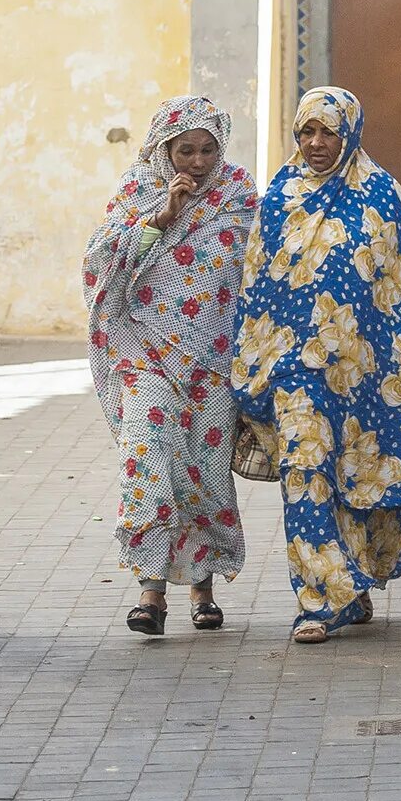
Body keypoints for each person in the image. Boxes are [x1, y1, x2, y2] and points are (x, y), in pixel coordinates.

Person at [231, 86, 401, 644]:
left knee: (356, 479)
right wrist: (251, 360)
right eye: (306, 132)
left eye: (328, 132)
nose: (316, 144)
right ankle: (318, 599)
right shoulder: (281, 195)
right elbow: (255, 280)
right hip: (295, 372)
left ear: (351, 133)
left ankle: (352, 584)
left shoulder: (383, 196)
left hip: (367, 374)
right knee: (305, 469)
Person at [82, 96, 259, 635]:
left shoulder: (238, 193)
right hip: (144, 356)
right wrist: (161, 217)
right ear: (164, 147)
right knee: (149, 469)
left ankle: (202, 591)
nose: (198, 163)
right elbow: (99, 262)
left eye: (209, 150)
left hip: (212, 365)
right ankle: (150, 593)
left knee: (203, 476)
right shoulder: (138, 190)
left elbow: (262, 264)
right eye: (186, 151)